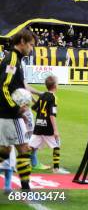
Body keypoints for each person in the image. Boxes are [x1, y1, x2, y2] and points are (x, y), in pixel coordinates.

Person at [0, 29, 37, 191]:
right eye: (31, 45)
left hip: (7, 113)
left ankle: (25, 187)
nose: (32, 49)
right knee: (23, 148)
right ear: (22, 41)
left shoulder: (15, 59)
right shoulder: (12, 60)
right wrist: (16, 108)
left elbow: (16, 86)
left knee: (5, 149)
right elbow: (4, 86)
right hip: (9, 114)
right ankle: (26, 188)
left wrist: (30, 100)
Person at [29, 75, 69, 174]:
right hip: (47, 127)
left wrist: (36, 101)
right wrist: (55, 130)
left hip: (38, 125)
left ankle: (19, 162)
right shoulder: (53, 97)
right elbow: (52, 114)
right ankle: (56, 169)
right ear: (55, 85)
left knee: (30, 146)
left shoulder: (42, 95)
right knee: (56, 145)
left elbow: (34, 107)